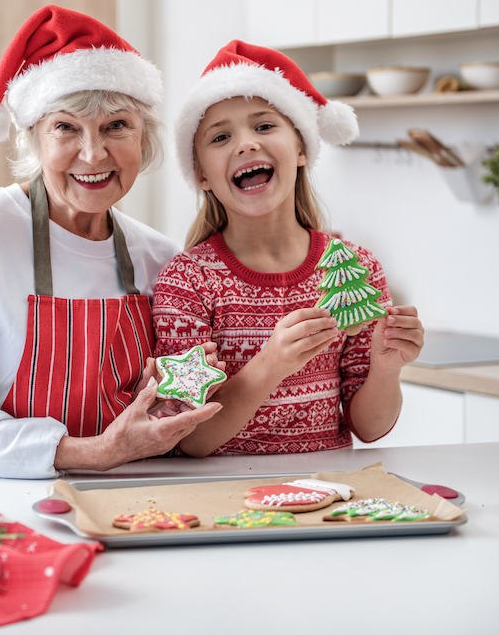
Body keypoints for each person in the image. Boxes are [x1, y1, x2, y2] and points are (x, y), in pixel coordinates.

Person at [0, 6, 222, 478]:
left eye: (116, 126)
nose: (94, 153)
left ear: (144, 140)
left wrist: (171, 400)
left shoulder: (160, 259)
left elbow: (161, 421)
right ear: (35, 137)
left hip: (138, 506)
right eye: (66, 127)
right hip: (13, 508)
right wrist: (94, 452)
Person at [153, 40, 424, 458]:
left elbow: (370, 429)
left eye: (264, 126)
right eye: (221, 136)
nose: (246, 144)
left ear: (300, 149)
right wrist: (270, 365)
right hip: (221, 496)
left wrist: (387, 370)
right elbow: (190, 439)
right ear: (202, 175)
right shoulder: (187, 281)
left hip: (327, 493)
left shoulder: (355, 267)